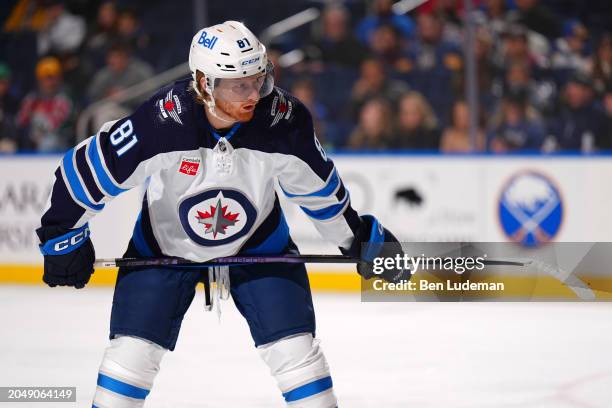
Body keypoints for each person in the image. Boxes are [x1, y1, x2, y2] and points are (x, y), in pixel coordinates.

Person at [36, 21, 408, 407]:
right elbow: (84, 172)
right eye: (238, 85)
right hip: (164, 250)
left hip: (260, 245)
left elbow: (319, 192)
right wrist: (62, 236)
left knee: (300, 358)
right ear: (202, 83)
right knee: (128, 363)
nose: (253, 95)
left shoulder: (283, 122)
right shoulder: (161, 124)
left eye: (258, 80)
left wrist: (357, 238)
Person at [16, 56, 74, 151]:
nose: (51, 82)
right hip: (31, 141)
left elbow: (62, 127)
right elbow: (20, 122)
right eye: (47, 77)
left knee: (49, 142)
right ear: (39, 79)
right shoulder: (31, 99)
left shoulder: (64, 99)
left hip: (58, 143)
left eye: (55, 77)